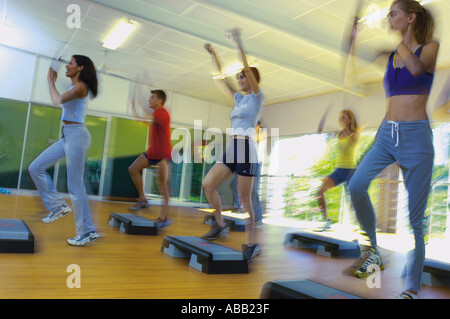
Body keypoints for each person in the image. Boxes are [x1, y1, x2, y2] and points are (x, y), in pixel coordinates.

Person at [346, 0, 439, 299]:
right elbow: (356, 59)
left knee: (415, 221)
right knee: (357, 185)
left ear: (411, 18)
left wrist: (397, 43)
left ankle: (411, 288)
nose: (389, 19)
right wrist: (354, 38)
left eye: (393, 14)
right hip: (387, 134)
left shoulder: (430, 47)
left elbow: (415, 70)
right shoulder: (391, 55)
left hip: (416, 138)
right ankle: (373, 250)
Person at [202, 28, 264, 263]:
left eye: (243, 76)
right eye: (238, 76)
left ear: (253, 79)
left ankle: (251, 244)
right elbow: (221, 80)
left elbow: (247, 67)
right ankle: (220, 226)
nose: (240, 79)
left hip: (247, 150)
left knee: (244, 200)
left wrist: (237, 42)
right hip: (232, 149)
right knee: (208, 184)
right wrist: (213, 55)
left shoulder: (257, 97)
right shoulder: (238, 99)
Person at [28, 55, 99, 246]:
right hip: (67, 135)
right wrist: (53, 80)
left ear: (80, 68)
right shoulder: (72, 87)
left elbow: (57, 100)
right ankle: (58, 206)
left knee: (75, 186)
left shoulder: (81, 87)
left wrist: (50, 81)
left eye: (71, 63)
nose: (67, 66)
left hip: (77, 136)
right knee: (35, 167)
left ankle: (85, 232)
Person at [128, 89, 172, 230]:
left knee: (162, 186)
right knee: (133, 169)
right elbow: (138, 120)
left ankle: (163, 218)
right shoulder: (154, 114)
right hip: (151, 153)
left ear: (160, 101)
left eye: (152, 98)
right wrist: (133, 106)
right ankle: (143, 199)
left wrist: (140, 105)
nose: (149, 100)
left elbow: (148, 118)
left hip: (163, 156)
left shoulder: (163, 114)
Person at [317, 110, 360, 231]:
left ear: (349, 120)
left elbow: (353, 143)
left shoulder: (354, 133)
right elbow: (322, 133)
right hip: (339, 170)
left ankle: (359, 224)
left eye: (343, 118)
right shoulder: (338, 133)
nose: (341, 120)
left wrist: (346, 131)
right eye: (340, 118)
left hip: (351, 170)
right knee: (319, 192)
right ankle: (326, 221)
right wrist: (322, 128)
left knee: (353, 197)